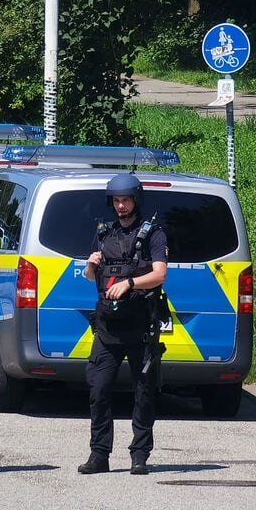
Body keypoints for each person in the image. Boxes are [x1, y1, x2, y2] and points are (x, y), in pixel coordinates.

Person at [79, 173, 168, 476]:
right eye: (116, 200)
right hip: (107, 327)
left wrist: (130, 283)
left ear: (136, 200)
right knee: (98, 389)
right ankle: (99, 455)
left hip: (141, 325)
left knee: (143, 392)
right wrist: (90, 266)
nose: (121, 205)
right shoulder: (104, 235)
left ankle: (139, 454)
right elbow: (93, 277)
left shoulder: (153, 234)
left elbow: (159, 274)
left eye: (125, 200)